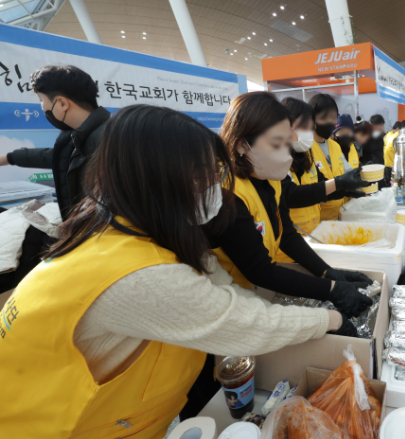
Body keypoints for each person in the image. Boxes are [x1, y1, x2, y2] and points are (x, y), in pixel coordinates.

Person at [0, 104, 354, 438]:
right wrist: (331, 319)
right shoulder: (134, 274)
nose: (214, 187)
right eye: (203, 176)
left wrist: (327, 283)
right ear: (159, 181)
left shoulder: (127, 231)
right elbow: (246, 322)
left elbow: (220, 282)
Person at [211, 92, 373, 320]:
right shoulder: (226, 195)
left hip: (256, 294)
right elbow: (260, 270)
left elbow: (287, 235)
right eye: (276, 143)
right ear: (241, 145)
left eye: (288, 143)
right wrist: (331, 289)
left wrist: (327, 272)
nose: (286, 155)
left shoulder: (269, 179)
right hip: (230, 304)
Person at [0, 65, 110, 220]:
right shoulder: (76, 135)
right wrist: (8, 158)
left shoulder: (110, 140)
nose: (42, 107)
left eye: (41, 100)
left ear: (62, 103)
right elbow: (57, 157)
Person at [273, 98, 368, 263]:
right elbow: (290, 194)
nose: (308, 133)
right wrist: (339, 183)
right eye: (303, 127)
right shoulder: (274, 159)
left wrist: (347, 189)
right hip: (286, 248)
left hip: (312, 236)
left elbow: (322, 185)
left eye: (310, 128)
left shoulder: (304, 155)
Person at [308, 94, 354, 221]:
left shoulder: (335, 146)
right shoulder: (305, 148)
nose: (330, 122)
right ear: (311, 118)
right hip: (316, 222)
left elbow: (348, 171)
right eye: (324, 117)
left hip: (339, 217)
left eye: (333, 118)